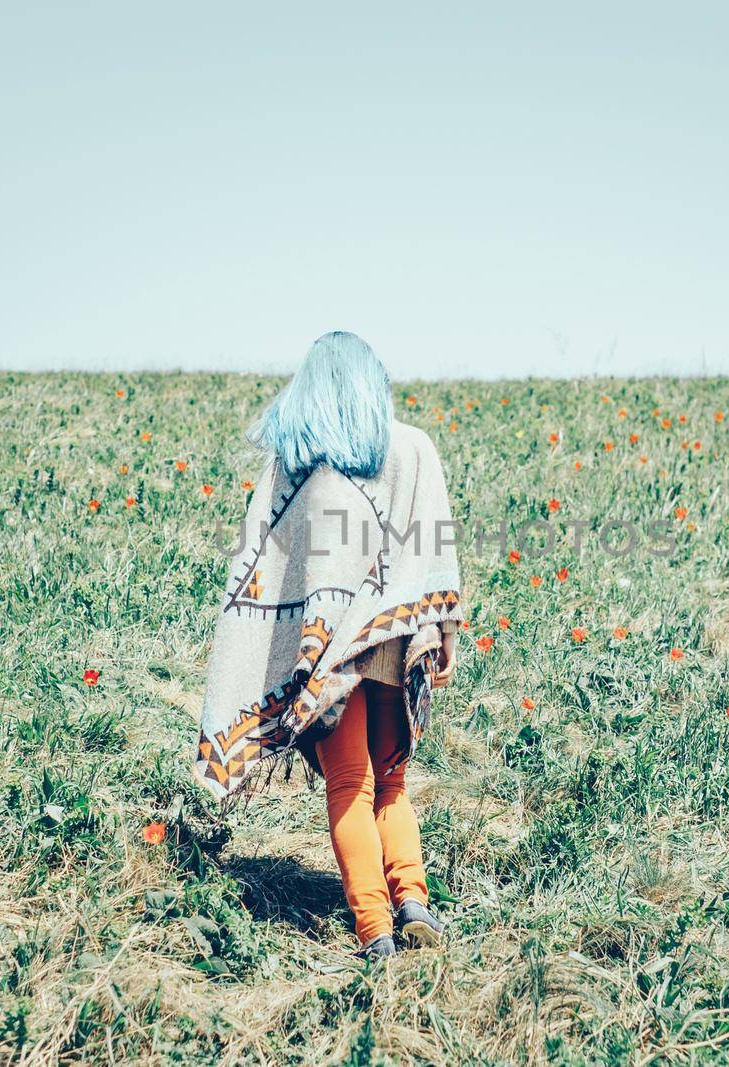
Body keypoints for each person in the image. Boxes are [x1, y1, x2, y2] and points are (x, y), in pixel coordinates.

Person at [194, 331, 464, 960]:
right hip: (393, 641)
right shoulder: (411, 449)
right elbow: (435, 553)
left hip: (327, 655)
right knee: (391, 781)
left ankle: (374, 933)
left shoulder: (293, 471)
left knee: (350, 785)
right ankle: (413, 903)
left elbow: (263, 570)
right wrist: (442, 632)